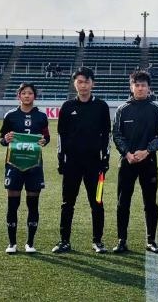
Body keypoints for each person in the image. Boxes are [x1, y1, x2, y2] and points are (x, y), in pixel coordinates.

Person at [52, 67, 112, 254]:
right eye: (79, 82)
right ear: (74, 84)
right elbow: (61, 135)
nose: (83, 85)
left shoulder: (101, 106)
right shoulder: (67, 106)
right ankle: (64, 241)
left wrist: (105, 159)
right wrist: (61, 159)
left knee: (97, 202)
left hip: (95, 164)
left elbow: (107, 135)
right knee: (67, 203)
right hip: (72, 164)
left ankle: (98, 241)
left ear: (93, 83)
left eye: (86, 82)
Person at [112, 70, 158, 254]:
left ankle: (151, 240)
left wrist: (148, 151)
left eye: (143, 85)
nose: (140, 88)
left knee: (150, 202)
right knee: (123, 202)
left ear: (149, 88)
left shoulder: (156, 110)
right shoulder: (122, 109)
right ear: (131, 87)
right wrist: (127, 153)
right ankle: (121, 240)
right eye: (137, 85)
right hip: (127, 162)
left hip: (148, 162)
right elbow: (116, 134)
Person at [0, 82, 50, 254]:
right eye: (24, 93)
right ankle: (12, 243)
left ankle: (30, 243)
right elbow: (2, 139)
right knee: (12, 204)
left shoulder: (41, 116)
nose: (27, 96)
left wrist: (44, 141)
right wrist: (6, 139)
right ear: (18, 96)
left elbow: (46, 137)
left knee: (33, 204)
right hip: (14, 164)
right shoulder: (10, 116)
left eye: (30, 93)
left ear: (35, 96)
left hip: (34, 165)